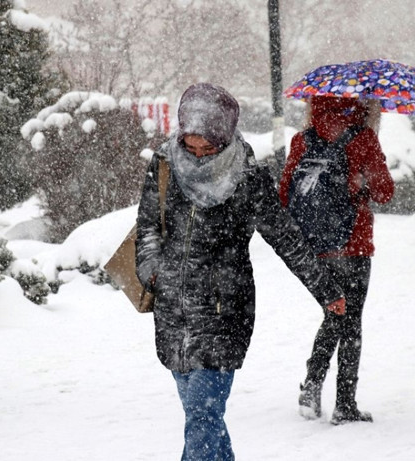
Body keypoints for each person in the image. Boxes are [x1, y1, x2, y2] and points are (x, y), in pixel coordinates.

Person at [135, 83, 346, 460]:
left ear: (224, 138)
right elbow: (148, 226)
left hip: (222, 313)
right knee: (204, 419)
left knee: (202, 417)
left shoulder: (246, 176)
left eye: (208, 149)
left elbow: (285, 237)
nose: (198, 156)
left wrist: (326, 290)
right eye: (191, 147)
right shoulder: (165, 163)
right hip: (173, 314)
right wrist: (152, 270)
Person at [279, 95, 394, 424]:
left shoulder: (302, 140)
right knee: (350, 321)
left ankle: (312, 386)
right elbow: (385, 191)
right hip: (352, 244)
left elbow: (285, 193)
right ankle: (344, 403)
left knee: (334, 312)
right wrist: (363, 183)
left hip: (316, 247)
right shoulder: (363, 138)